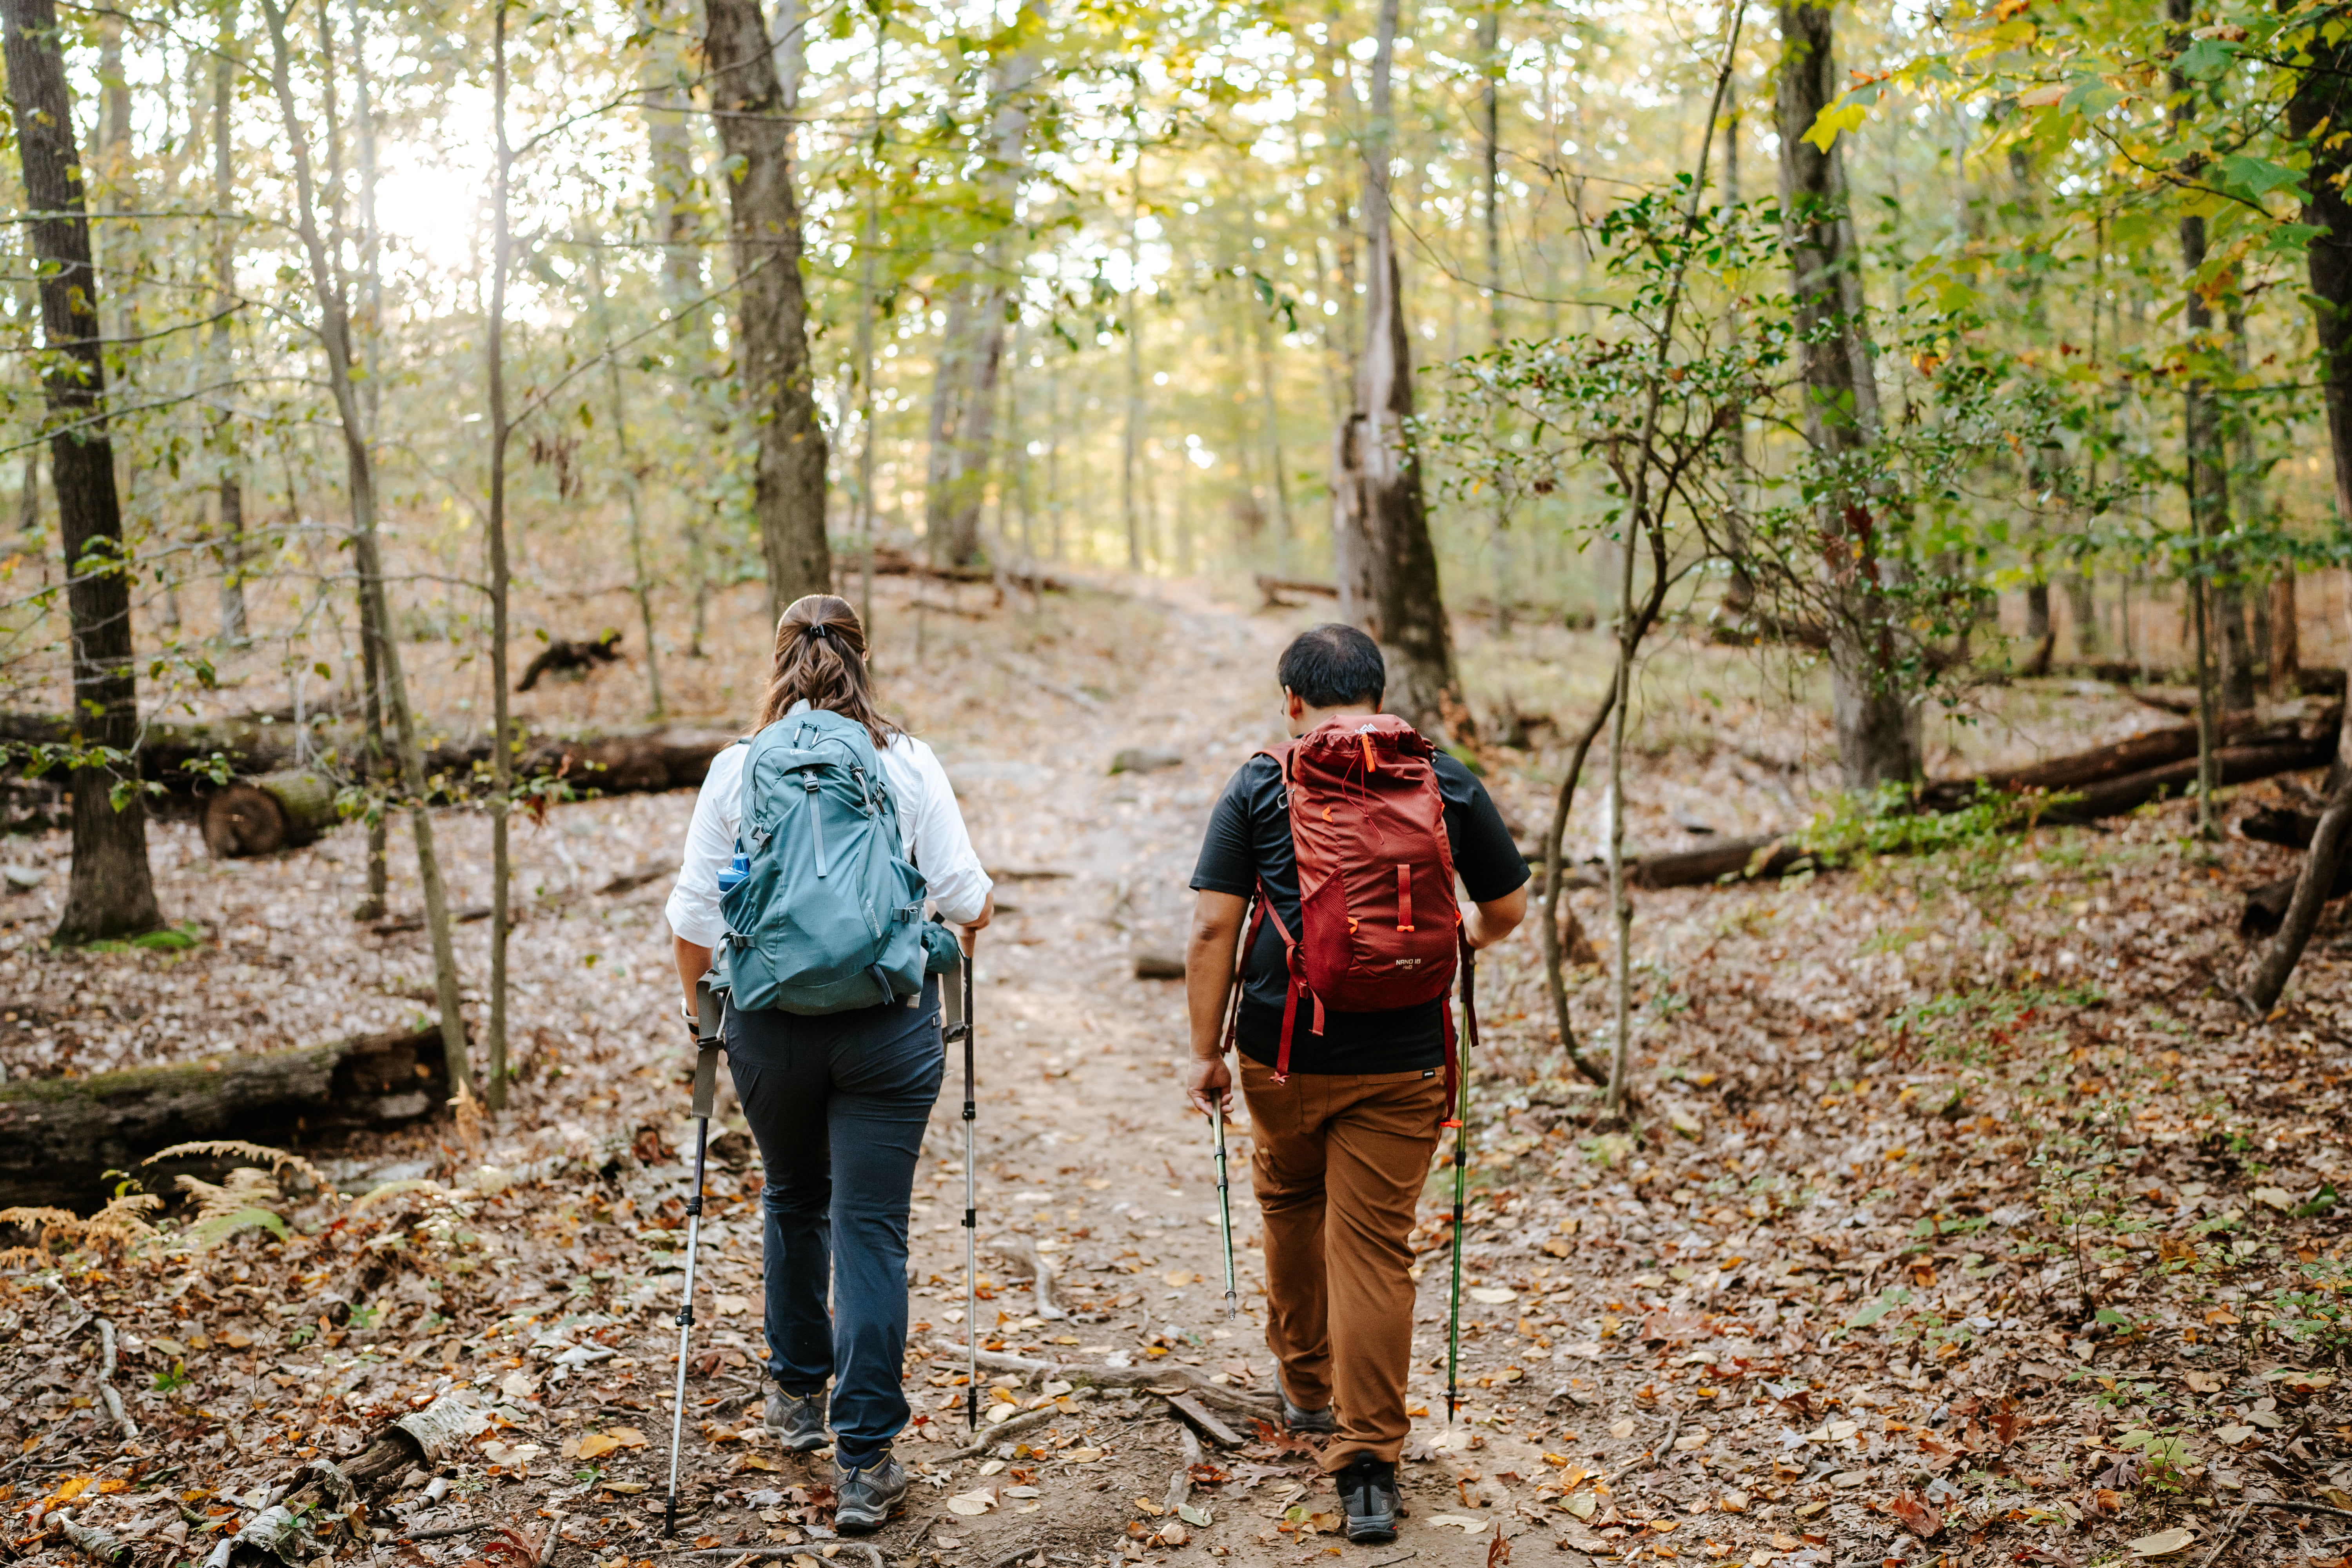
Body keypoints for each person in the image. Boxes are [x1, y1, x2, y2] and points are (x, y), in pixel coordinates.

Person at [1181, 624, 1527, 1543]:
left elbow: (1216, 928)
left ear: (1292, 699)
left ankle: (1304, 1385)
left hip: (1282, 1051)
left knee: (1291, 1202)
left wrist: (1204, 1050)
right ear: (1379, 692)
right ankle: (1369, 1458)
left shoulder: (1261, 779)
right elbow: (1507, 908)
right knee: (1374, 1247)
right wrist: (1457, 947)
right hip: (1408, 1055)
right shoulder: (1442, 776)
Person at [665, 594, 994, 1532]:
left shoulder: (739, 764)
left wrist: (702, 1017)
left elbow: (692, 918)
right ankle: (866, 1461)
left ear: (779, 659)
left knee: (792, 1195)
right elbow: (968, 899)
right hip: (888, 1024)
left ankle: (797, 1396)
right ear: (863, 658)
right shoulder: (907, 759)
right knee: (872, 1227)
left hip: (767, 1025)